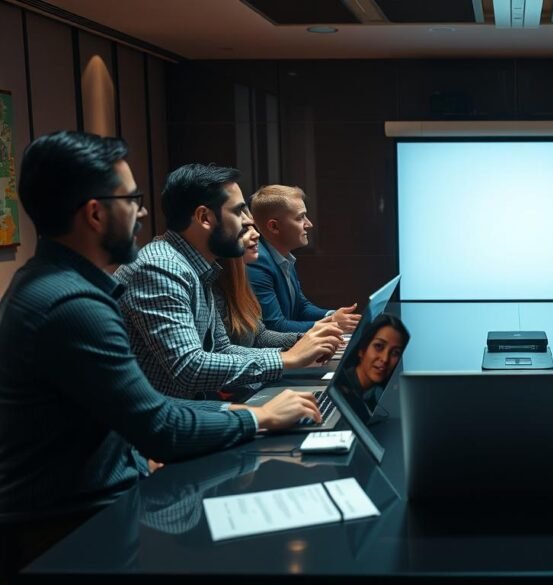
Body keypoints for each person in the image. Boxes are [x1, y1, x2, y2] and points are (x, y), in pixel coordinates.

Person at [0, 132, 321, 575]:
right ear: (95, 213)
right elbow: (159, 421)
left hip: (83, 506)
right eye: (132, 199)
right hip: (68, 526)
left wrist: (133, 451)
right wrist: (259, 417)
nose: (143, 213)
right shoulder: (73, 304)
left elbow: (126, 410)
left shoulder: (55, 283)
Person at [114, 164, 344, 399]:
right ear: (205, 217)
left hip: (189, 412)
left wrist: (301, 344)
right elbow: (189, 367)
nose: (249, 221)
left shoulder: (198, 267)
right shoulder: (161, 267)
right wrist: (286, 358)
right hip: (163, 425)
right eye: (238, 211)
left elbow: (222, 349)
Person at [247, 184, 361, 333]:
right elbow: (274, 327)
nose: (309, 224)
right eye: (300, 218)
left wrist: (333, 315)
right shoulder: (257, 262)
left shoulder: (283, 255)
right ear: (274, 226)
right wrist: (332, 324)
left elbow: (301, 306)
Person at [214, 211, 305, 349]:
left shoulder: (240, 278)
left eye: (254, 228)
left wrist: (302, 339)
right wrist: (288, 358)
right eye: (244, 229)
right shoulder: (213, 286)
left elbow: (260, 336)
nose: (256, 234)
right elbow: (222, 352)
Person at [344, 314, 410, 412]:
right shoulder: (343, 391)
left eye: (395, 353)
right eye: (379, 346)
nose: (385, 359)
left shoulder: (376, 396)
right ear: (362, 349)